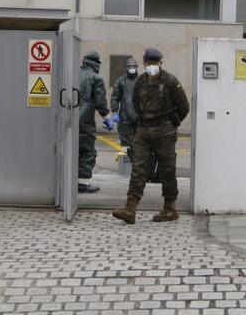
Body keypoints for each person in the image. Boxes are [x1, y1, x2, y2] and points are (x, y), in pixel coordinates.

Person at [112, 48, 189, 224]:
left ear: (161, 63)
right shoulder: (140, 81)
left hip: (164, 130)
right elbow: (136, 104)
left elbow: (183, 106)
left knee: (167, 169)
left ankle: (170, 209)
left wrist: (171, 123)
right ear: (144, 63)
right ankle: (130, 209)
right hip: (144, 129)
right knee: (138, 168)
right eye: (149, 63)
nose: (152, 66)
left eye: (155, 63)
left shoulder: (170, 81)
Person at [78, 51, 114, 193]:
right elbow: (100, 103)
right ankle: (82, 183)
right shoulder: (95, 78)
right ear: (96, 64)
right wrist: (108, 119)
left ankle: (68, 181)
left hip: (68, 120)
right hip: (85, 122)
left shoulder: (72, 74)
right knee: (88, 152)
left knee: (71, 151)